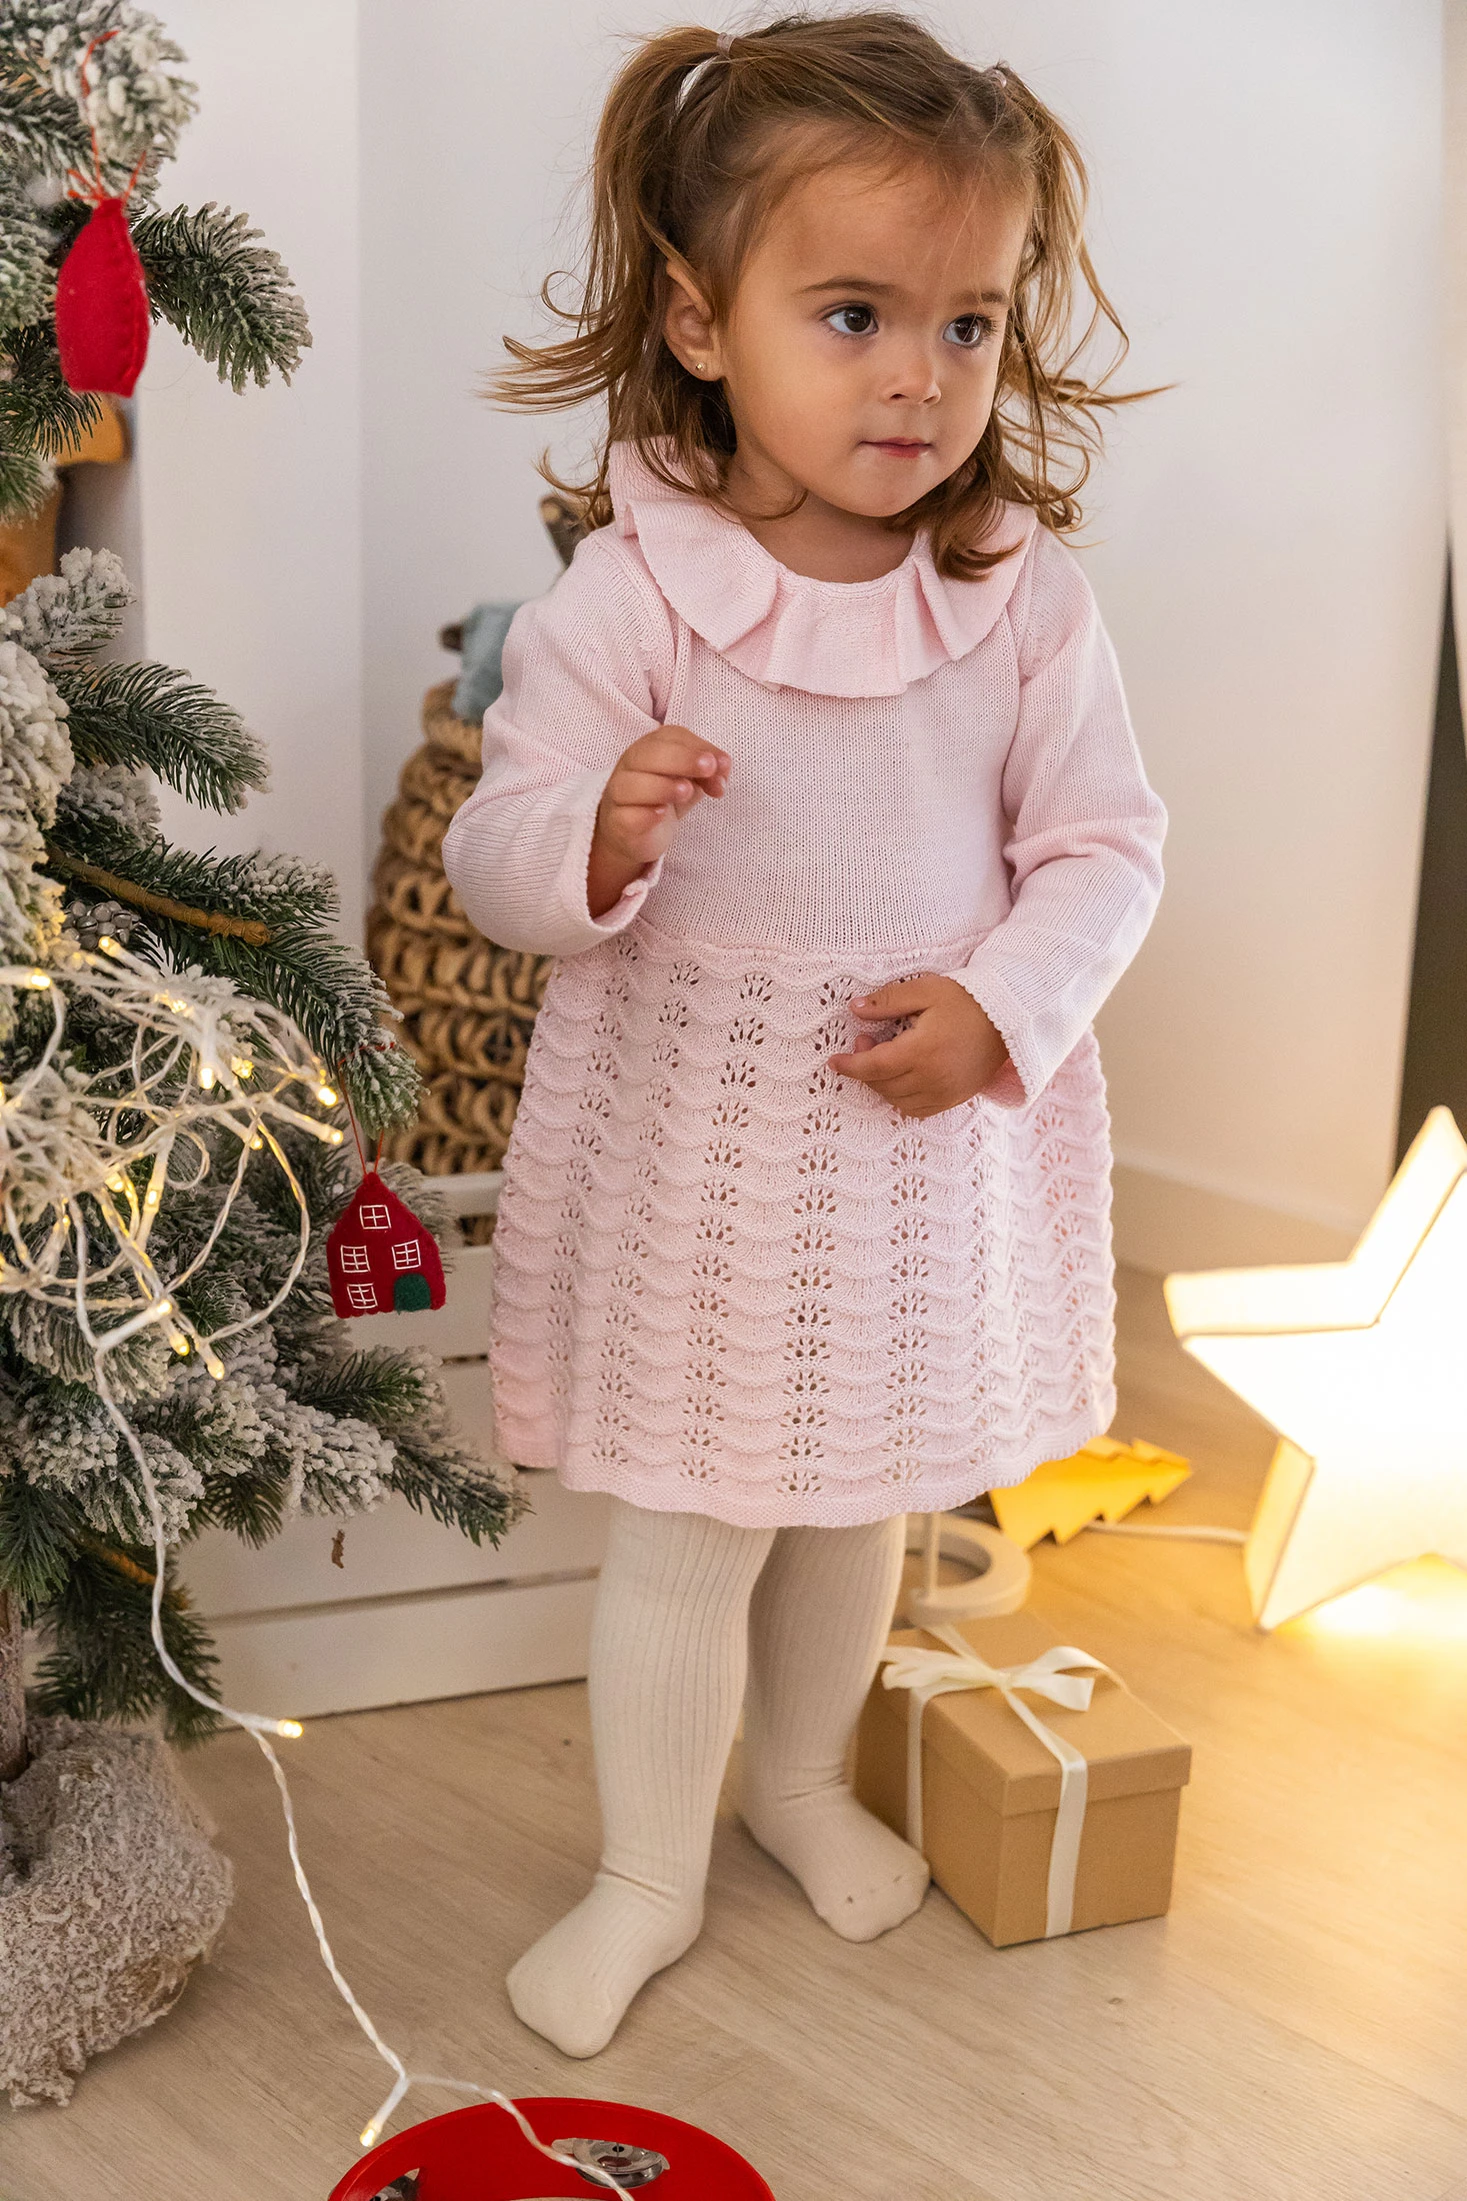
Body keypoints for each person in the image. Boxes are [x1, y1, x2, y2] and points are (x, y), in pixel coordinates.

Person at [443, 11, 1167, 2058]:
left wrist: (1004, 1002)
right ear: (701, 319)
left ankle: (798, 1784)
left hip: (908, 1154)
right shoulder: (634, 595)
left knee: (860, 1501)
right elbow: (498, 855)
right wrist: (595, 829)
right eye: (853, 315)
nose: (917, 375)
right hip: (704, 1155)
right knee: (693, 1523)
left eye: (966, 324)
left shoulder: (1016, 592)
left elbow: (1105, 848)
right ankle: (641, 1871)